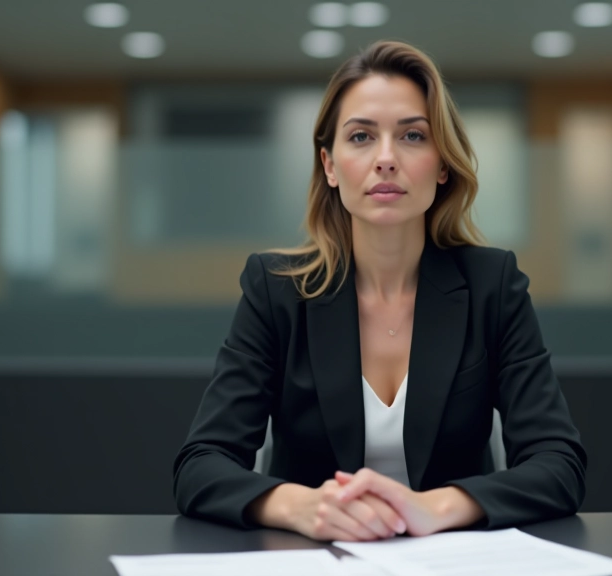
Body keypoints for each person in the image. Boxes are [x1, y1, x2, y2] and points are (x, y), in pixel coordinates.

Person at [173, 40, 586, 542]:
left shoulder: (492, 285)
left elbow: (559, 464)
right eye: (361, 136)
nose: (386, 159)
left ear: (441, 165)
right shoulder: (276, 289)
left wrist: (436, 507)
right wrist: (301, 506)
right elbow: (200, 465)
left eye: (413, 135)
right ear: (329, 165)